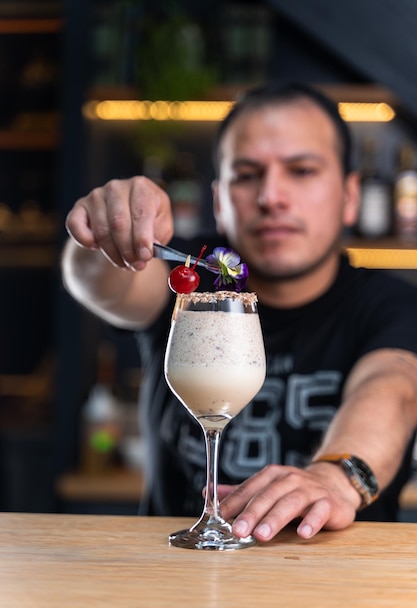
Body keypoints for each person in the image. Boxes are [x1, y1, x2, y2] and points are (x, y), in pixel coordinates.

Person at [62, 82, 417, 542]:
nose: (272, 196)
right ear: (217, 199)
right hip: (175, 581)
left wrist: (337, 476)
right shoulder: (187, 277)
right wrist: (104, 234)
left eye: (302, 170)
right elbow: (96, 282)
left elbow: (394, 390)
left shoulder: (390, 303)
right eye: (247, 174)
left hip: (334, 583)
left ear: (351, 196)